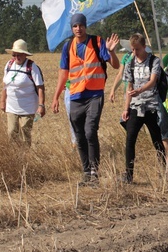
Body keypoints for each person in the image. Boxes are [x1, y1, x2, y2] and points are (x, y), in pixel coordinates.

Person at [51, 13, 120, 185]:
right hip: (75, 95)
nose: (78, 29)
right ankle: (86, 172)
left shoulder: (97, 42)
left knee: (90, 131)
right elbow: (63, 73)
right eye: (75, 26)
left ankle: (95, 172)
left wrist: (111, 51)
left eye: (81, 25)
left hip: (95, 94)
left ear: (85, 26)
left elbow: (116, 65)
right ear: (72, 28)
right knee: (79, 135)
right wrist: (56, 97)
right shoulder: (68, 47)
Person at [121, 34, 165, 184]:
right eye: (132, 49)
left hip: (151, 106)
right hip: (135, 107)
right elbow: (129, 87)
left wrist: (140, 91)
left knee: (157, 139)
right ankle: (129, 174)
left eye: (137, 49)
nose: (135, 52)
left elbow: (153, 81)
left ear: (144, 46)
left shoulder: (154, 61)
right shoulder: (130, 63)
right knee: (130, 139)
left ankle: (163, 170)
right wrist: (126, 108)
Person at [0, 39, 45, 146]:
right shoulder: (9, 65)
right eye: (14, 55)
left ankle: (25, 155)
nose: (16, 57)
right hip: (11, 106)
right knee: (11, 132)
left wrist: (41, 105)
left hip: (27, 107)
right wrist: (2, 101)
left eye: (18, 55)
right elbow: (5, 84)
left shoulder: (32, 67)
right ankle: (14, 156)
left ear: (25, 54)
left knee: (25, 132)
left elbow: (40, 87)